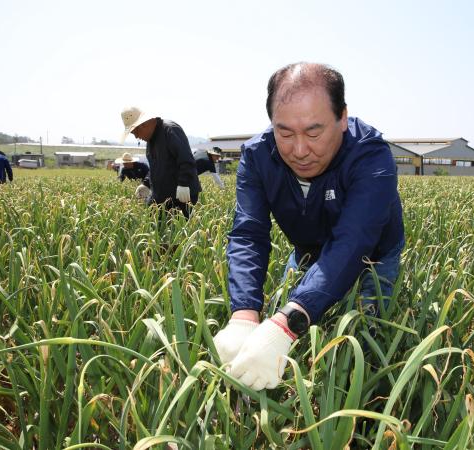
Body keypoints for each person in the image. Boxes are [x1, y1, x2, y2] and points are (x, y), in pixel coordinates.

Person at [213, 62, 405, 391]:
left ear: (342, 118)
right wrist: (243, 312)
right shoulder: (259, 156)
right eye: (284, 133)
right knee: (279, 335)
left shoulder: (371, 157)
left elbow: (354, 241)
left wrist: (289, 323)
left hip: (372, 257)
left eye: (314, 132)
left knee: (366, 338)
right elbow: (249, 234)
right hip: (307, 252)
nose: (299, 151)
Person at [120, 106, 201, 217]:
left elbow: (186, 159)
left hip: (181, 194)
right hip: (160, 194)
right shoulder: (150, 140)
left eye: (135, 132)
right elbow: (155, 167)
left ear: (143, 124)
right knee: (150, 222)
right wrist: (146, 184)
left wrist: (184, 184)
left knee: (177, 230)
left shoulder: (170, 130)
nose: (137, 137)